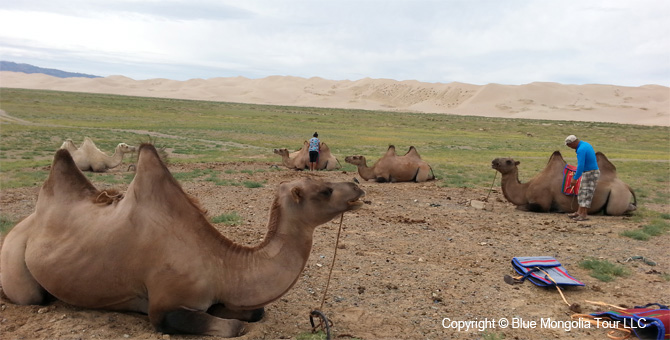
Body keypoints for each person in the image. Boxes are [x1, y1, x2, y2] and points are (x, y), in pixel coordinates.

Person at [565, 135, 600, 221]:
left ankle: (583, 214)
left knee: (586, 193)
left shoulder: (581, 149)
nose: (570, 147)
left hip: (590, 173)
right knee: (581, 192)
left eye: (569, 145)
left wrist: (575, 178)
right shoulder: (585, 144)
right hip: (588, 172)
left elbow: (581, 165)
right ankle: (579, 212)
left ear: (573, 143)